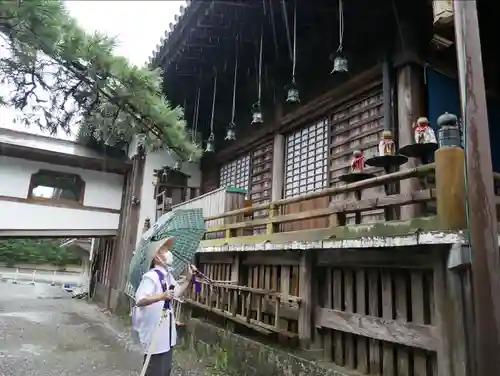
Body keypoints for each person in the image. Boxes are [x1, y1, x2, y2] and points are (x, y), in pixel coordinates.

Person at [132, 236, 194, 376]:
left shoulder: (167, 276)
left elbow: (176, 292)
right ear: (156, 257)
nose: (168, 253)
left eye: (167, 249)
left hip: (166, 335)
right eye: (164, 250)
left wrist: (188, 279)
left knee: (165, 370)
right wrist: (162, 296)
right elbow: (140, 300)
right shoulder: (150, 277)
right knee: (154, 370)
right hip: (155, 335)